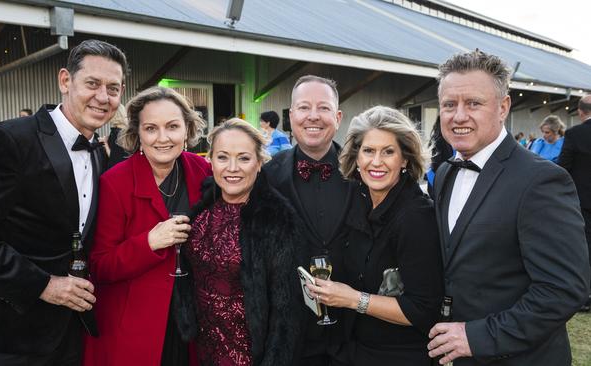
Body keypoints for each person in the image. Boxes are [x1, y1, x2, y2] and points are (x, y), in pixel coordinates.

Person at [0, 39, 128, 365]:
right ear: (65, 81)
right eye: (92, 84)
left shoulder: (97, 153)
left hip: (68, 331)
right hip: (7, 334)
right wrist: (42, 284)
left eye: (113, 88)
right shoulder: (10, 139)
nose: (103, 97)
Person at [427, 50, 589, 366]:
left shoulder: (542, 180)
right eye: (449, 104)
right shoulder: (447, 170)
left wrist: (476, 338)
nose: (458, 116)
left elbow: (563, 291)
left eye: (473, 103)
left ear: (503, 107)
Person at [82, 86, 210, 366]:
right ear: (137, 134)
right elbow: (100, 265)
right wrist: (149, 243)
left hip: (192, 319)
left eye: (173, 126)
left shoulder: (203, 172)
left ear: (187, 130)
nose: (163, 138)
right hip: (136, 325)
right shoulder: (114, 183)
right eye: (151, 128)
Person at [308, 106, 443, 365]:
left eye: (388, 152)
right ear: (357, 158)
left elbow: (423, 310)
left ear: (405, 159)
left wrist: (352, 299)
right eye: (368, 151)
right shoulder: (358, 201)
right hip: (353, 349)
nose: (376, 162)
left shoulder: (417, 217)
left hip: (398, 356)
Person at [176, 118, 299, 365]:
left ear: (259, 163)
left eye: (243, 158)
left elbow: (285, 312)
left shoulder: (275, 218)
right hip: (201, 350)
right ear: (210, 160)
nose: (232, 168)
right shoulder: (200, 209)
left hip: (248, 354)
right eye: (223, 157)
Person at [262, 75, 355, 365]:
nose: (313, 116)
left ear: (337, 117)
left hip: (353, 334)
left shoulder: (363, 170)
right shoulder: (267, 175)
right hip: (291, 336)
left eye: (323, 108)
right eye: (304, 107)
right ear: (291, 116)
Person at [559, 95, 591, 312]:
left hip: (582, 201)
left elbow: (563, 168)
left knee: (583, 248)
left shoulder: (575, 134)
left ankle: (585, 295)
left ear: (580, 112)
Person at [100, 103, 129, 169]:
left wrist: (105, 143)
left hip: (116, 172)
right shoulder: (126, 131)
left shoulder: (116, 133)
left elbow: (114, 160)